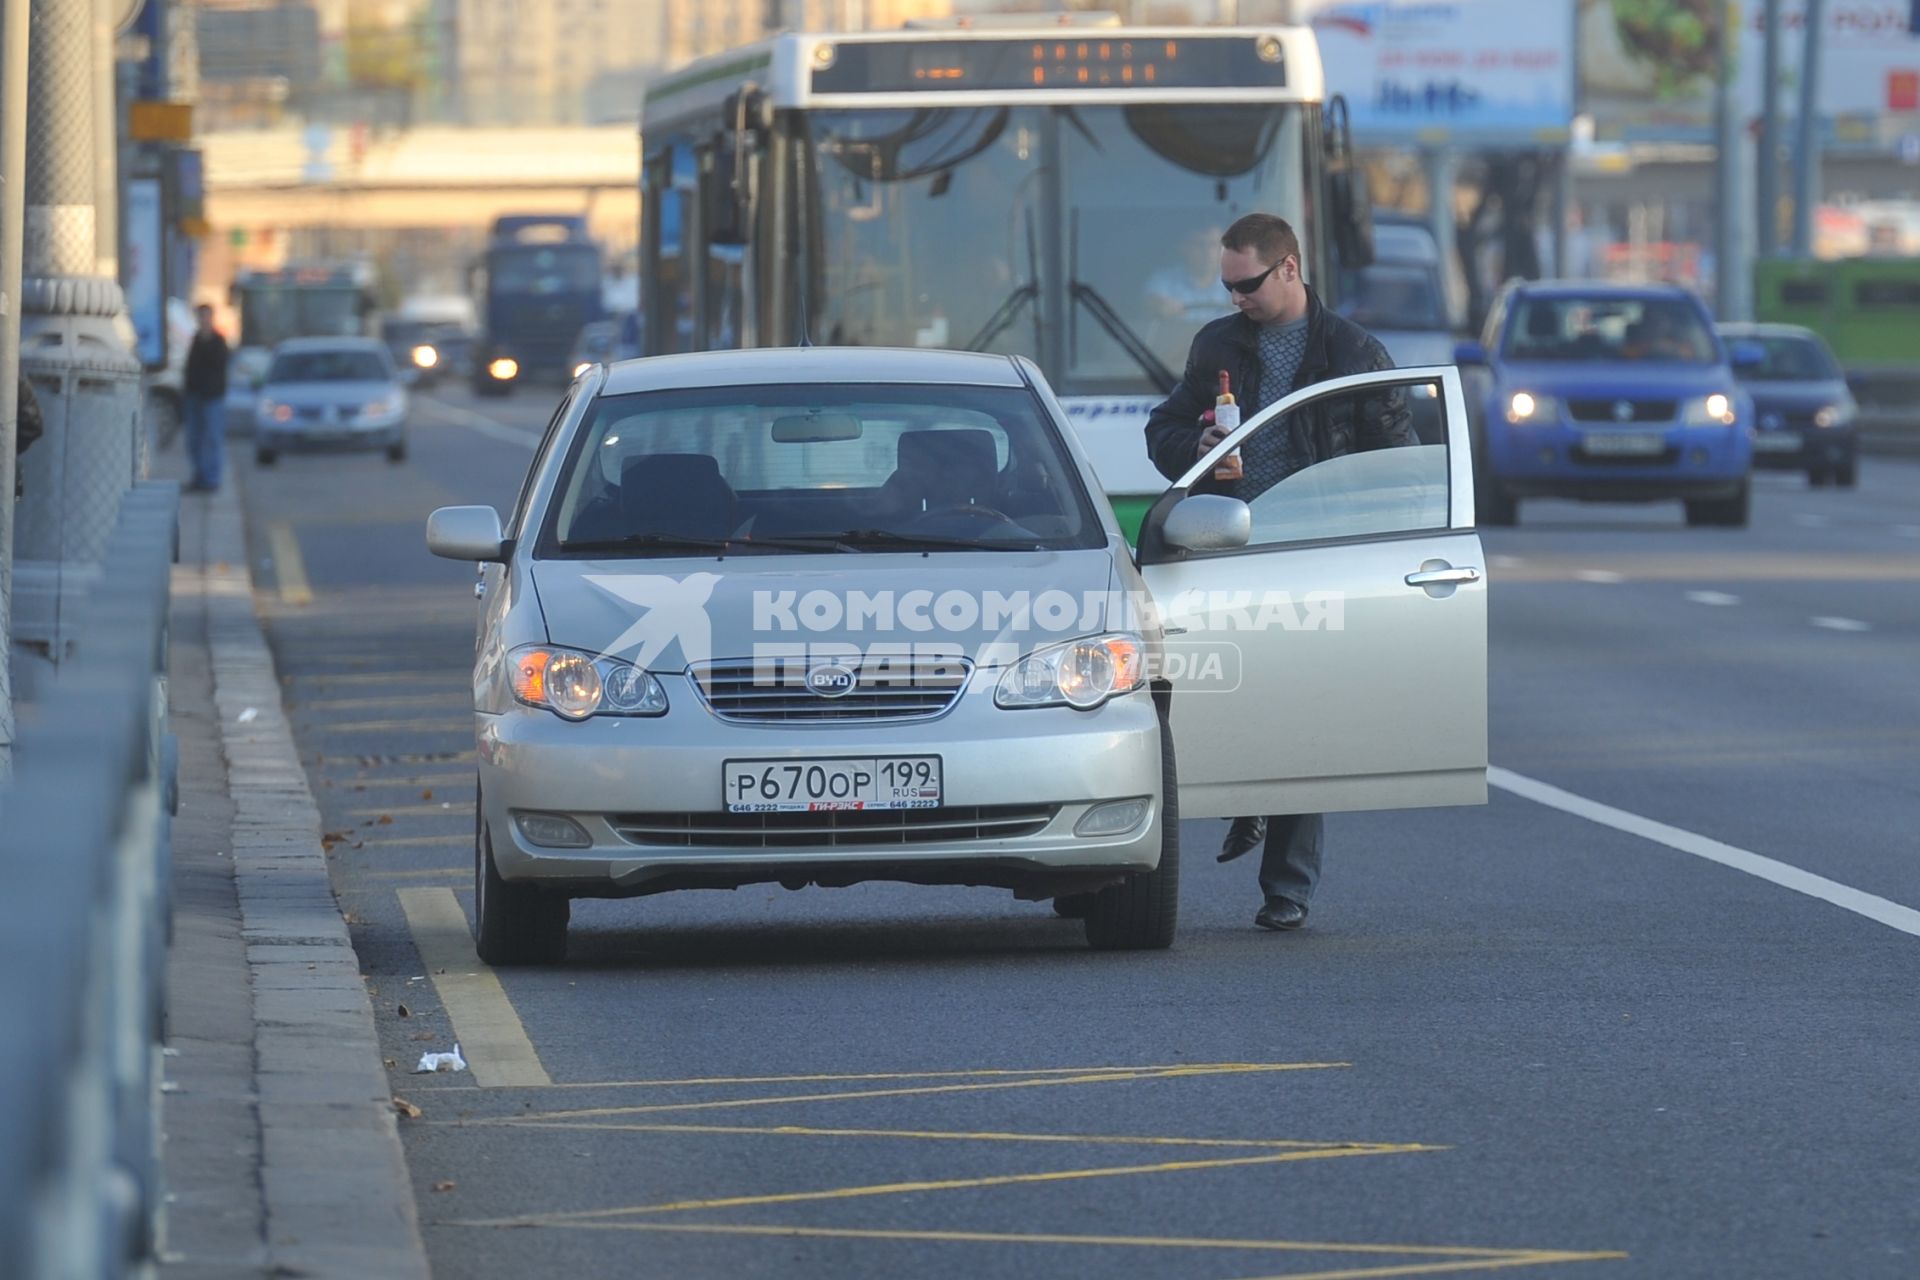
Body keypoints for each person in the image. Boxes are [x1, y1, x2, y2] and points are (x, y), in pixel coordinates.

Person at [1143, 212, 1414, 933]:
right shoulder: (1218, 345)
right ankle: (1249, 796)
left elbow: (1399, 463)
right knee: (1215, 691)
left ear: (1290, 269)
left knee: (1302, 717)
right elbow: (1161, 432)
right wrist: (1196, 443)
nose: (1236, 300)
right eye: (1227, 287)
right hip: (1226, 546)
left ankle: (1287, 888)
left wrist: (1373, 548)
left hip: (1315, 557)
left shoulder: (1353, 353)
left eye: (1248, 285)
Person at [182, 303, 229, 492]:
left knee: (212, 438)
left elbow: (218, 371)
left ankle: (211, 479)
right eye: (200, 317)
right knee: (194, 439)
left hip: (212, 398)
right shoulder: (195, 340)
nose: (203, 320)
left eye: (206, 316)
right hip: (194, 397)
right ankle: (200, 476)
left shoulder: (218, 342)